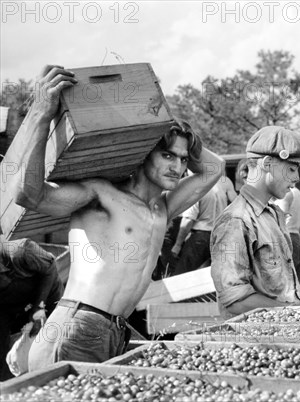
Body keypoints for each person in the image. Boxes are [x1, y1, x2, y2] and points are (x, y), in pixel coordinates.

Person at [11, 65, 224, 371]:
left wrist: (171, 125)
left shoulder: (161, 210)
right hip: (78, 325)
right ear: (143, 153)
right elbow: (29, 196)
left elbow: (213, 169)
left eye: (181, 159)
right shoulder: (101, 194)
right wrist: (42, 113)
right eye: (167, 155)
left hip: (116, 330)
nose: (177, 166)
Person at [211, 126, 300, 317]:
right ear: (267, 163)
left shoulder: (273, 215)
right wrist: (298, 312)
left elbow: (277, 296)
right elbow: (235, 301)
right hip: (254, 342)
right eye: (291, 168)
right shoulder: (236, 220)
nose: (296, 178)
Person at [0, 238, 64, 380]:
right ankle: (7, 386)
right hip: (10, 304)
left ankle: (54, 376)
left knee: (53, 340)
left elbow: (50, 268)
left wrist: (38, 308)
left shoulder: (22, 250)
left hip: (46, 298)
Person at [170, 175, 234, 275]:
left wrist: (178, 245)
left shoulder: (196, 189)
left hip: (201, 238)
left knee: (182, 275)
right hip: (220, 236)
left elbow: (188, 220)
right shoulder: (220, 185)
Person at [273, 187, 300, 281]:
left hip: (287, 240)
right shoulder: (298, 193)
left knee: (285, 283)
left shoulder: (286, 195)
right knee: (296, 284)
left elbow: (282, 218)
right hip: (297, 239)